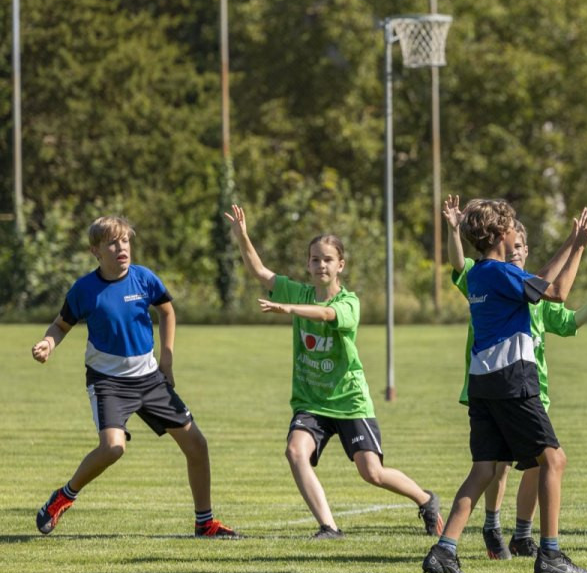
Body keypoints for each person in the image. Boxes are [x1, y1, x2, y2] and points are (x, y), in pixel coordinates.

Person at [226, 205, 442, 539]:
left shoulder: (349, 302)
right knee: (295, 451)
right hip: (311, 401)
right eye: (315, 259)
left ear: (340, 264)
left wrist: (289, 309)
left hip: (348, 400)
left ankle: (426, 500)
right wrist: (243, 237)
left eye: (327, 259)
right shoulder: (298, 291)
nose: (320, 265)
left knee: (371, 472)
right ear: (308, 264)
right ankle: (329, 526)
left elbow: (327, 314)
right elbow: (259, 272)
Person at [32, 215, 238, 538]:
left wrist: (166, 359)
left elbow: (166, 310)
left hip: (150, 378)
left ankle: (205, 523)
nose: (121, 247)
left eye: (125, 240)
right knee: (113, 448)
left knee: (196, 444)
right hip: (108, 382)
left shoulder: (144, 279)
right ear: (96, 251)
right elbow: (60, 325)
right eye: (112, 243)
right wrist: (48, 343)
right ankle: (64, 497)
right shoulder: (84, 290)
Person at [424, 198, 587, 573]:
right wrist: (576, 242)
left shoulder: (479, 274)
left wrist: (573, 244)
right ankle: (549, 554)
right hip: (511, 377)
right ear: (501, 234)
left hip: (482, 381)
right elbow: (555, 292)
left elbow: (552, 287)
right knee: (553, 460)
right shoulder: (499, 272)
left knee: (484, 469)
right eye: (510, 225)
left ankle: (444, 550)